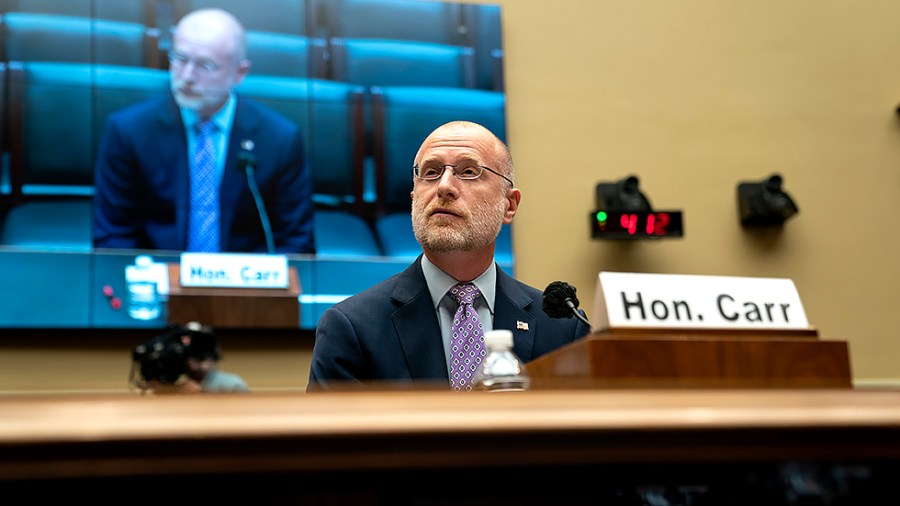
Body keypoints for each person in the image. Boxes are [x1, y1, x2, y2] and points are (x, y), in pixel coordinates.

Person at [307, 121, 591, 391]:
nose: (443, 187)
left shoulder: (563, 329)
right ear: (414, 198)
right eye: (430, 173)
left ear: (509, 205)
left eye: (469, 172)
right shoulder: (352, 328)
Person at [93, 8, 315, 254]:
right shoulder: (128, 130)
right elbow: (112, 235)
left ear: (239, 73)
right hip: (158, 276)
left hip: (243, 282)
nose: (187, 76)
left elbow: (297, 242)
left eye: (205, 66)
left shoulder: (279, 139)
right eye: (180, 59)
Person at [131, 321, 249, 394]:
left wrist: (203, 396)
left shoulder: (232, 385)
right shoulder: (175, 379)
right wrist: (172, 391)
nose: (201, 362)